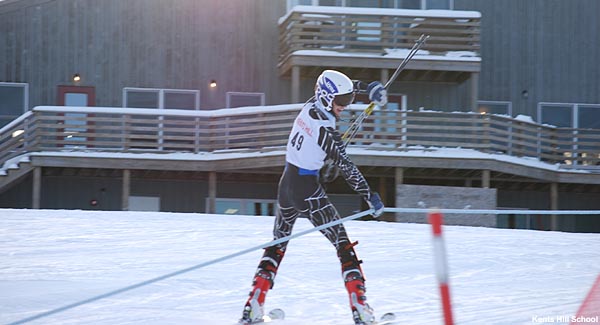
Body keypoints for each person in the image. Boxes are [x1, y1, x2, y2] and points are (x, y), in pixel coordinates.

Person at [239, 70, 387, 325]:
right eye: (341, 102)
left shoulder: (312, 104)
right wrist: (370, 195)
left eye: (349, 99)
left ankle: (254, 303)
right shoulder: (326, 133)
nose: (345, 106)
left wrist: (369, 88)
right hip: (307, 190)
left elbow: (347, 86)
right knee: (343, 245)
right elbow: (348, 168)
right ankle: (360, 309)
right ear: (327, 99)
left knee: (278, 243)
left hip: (287, 183)